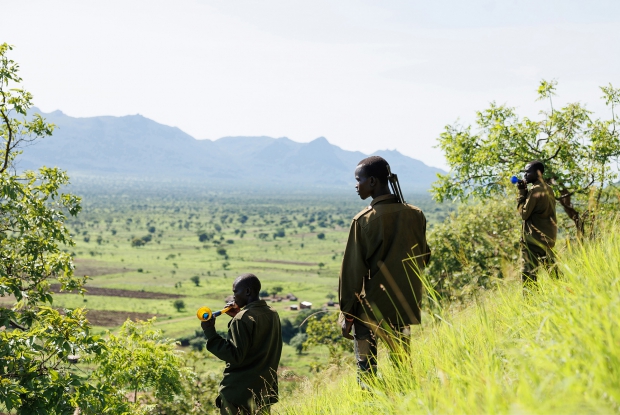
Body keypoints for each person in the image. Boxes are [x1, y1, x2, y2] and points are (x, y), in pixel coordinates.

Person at [339, 156, 431, 378]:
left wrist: (347, 313)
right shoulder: (415, 214)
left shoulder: (363, 221)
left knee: (366, 370)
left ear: (372, 181)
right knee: (403, 365)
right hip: (404, 305)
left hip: (370, 309)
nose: (356, 185)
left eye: (358, 179)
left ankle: (369, 406)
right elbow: (424, 258)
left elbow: (352, 273)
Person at [201, 273, 282, 415]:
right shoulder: (272, 313)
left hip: (238, 394)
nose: (233, 297)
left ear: (248, 291)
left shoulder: (242, 319)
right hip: (263, 391)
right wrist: (238, 316)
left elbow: (234, 356)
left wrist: (210, 332)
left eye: (235, 292)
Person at [517, 160, 557, 285]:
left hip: (533, 241)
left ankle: (530, 302)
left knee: (528, 276)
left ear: (538, 173)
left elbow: (524, 214)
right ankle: (567, 294)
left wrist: (521, 193)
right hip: (546, 238)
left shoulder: (535, 191)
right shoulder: (548, 188)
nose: (525, 176)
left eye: (528, 172)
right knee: (554, 273)